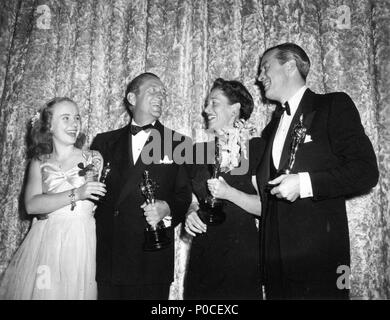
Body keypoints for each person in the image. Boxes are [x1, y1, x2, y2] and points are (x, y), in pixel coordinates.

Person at [256, 42, 379, 299]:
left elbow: (366, 171)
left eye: (265, 67)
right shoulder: (271, 128)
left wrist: (304, 183)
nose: (259, 76)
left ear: (290, 66)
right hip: (277, 268)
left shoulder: (333, 105)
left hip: (320, 265)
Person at [90, 72, 192, 300]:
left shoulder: (178, 143)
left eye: (163, 93)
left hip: (151, 259)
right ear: (132, 98)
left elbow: (183, 197)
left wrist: (166, 209)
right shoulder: (103, 142)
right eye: (153, 90)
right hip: (110, 258)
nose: (160, 96)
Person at [0, 97, 106, 300]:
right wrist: (78, 193)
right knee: (46, 292)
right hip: (45, 242)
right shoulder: (39, 162)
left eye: (76, 118)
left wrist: (53, 201)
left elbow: (97, 196)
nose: (74, 124)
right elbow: (31, 205)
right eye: (65, 118)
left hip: (80, 240)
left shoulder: (92, 157)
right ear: (48, 126)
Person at [183, 78, 265, 300]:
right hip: (204, 252)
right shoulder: (197, 152)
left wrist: (230, 193)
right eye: (207, 104)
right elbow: (190, 198)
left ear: (235, 109)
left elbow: (266, 208)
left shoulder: (257, 149)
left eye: (214, 103)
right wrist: (190, 212)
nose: (206, 110)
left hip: (242, 256)